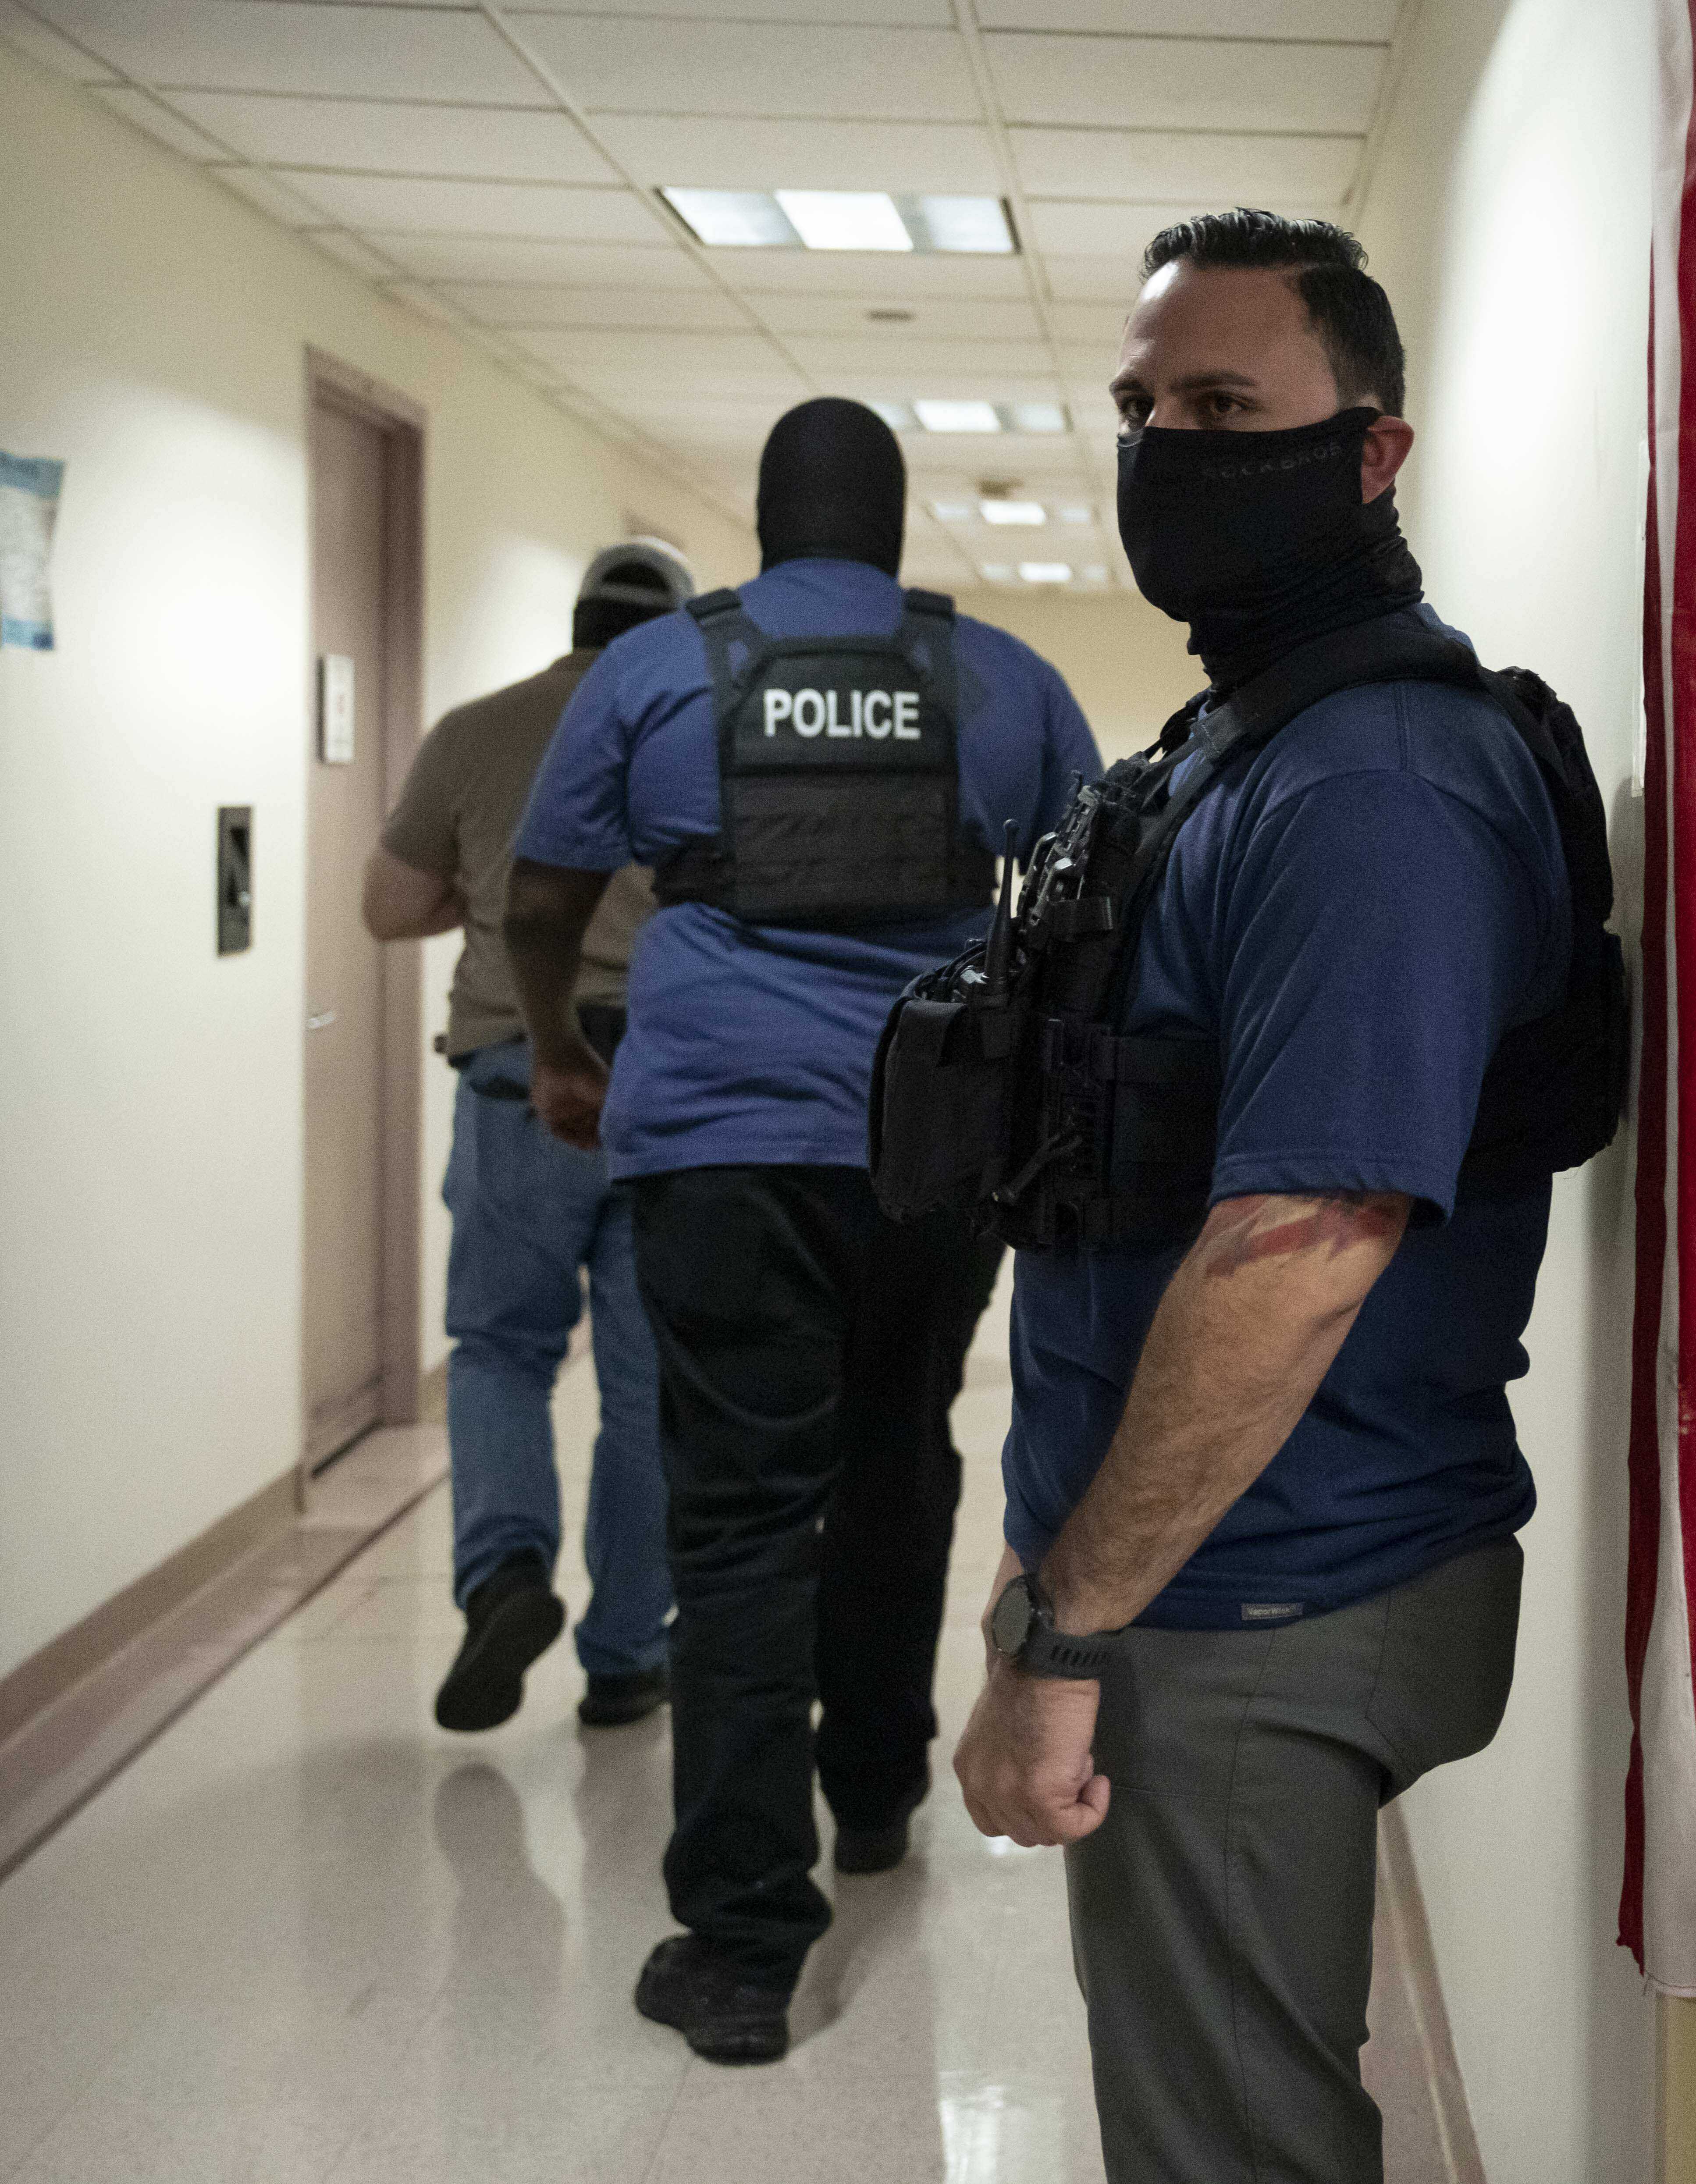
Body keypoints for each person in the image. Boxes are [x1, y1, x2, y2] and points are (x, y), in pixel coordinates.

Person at [945, 210, 1621, 2184]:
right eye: (1140, 405)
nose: (1165, 448)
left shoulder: (1371, 787)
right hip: (1225, 1558)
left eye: (1224, 403)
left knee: (1222, 2152)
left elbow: (1301, 1247)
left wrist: (1061, 1631)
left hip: (1254, 1586)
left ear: (1372, 447)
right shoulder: (1248, 747)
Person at [503, 400, 1099, 2065]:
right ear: (895, 529)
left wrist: (557, 1041)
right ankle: (879, 1792)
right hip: (929, 1146)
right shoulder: (1001, 681)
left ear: (766, 525)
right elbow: (1085, 900)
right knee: (901, 1458)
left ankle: (746, 1940)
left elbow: (541, 895)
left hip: (715, 1146)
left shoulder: (656, 671)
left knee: (745, 1518)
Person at [363, 541, 694, 1736]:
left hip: (517, 1075)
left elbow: (390, 907)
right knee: (647, 1387)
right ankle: (624, 1660)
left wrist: (483, 889)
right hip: (662, 1091)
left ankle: (504, 1574)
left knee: (499, 1350)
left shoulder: (474, 730)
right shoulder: (689, 733)